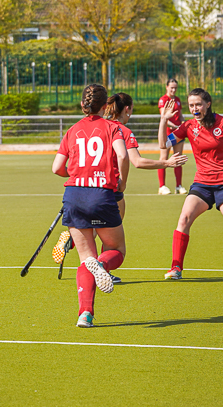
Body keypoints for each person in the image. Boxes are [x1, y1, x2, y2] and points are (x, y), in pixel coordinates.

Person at [52, 93, 187, 284]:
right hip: (109, 189)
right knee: (112, 239)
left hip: (82, 189)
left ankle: (73, 241)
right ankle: (101, 268)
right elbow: (136, 161)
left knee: (97, 230)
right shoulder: (120, 130)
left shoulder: (96, 126)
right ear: (128, 109)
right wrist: (166, 162)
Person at [158, 87, 223, 281]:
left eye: (198, 104)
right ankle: (176, 268)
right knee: (184, 219)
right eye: (191, 105)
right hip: (202, 184)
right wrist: (164, 119)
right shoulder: (188, 126)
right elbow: (165, 144)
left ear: (208, 104)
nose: (195, 109)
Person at [51, 83, 129, 327]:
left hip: (74, 195)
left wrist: (75, 174)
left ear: (82, 104)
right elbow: (123, 156)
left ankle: (85, 314)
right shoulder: (112, 127)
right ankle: (102, 265)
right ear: (106, 105)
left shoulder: (72, 130)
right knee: (116, 250)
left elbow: (56, 168)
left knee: (86, 259)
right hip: (101, 195)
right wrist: (122, 183)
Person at [157, 78, 186, 195]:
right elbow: (163, 118)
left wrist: (184, 124)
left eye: (175, 88)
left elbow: (181, 116)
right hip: (168, 132)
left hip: (178, 133)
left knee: (178, 158)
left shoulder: (178, 100)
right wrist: (174, 125)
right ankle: (162, 186)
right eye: (171, 87)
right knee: (164, 158)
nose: (173, 90)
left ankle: (178, 186)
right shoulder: (163, 100)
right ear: (166, 87)